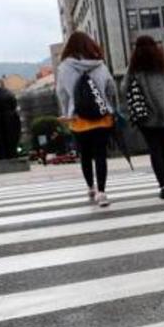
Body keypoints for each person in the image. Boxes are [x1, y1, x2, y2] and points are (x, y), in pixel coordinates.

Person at [56, 30, 119, 207]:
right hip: (101, 118)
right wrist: (109, 105)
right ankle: (102, 192)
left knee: (85, 156)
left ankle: (91, 187)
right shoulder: (100, 65)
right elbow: (111, 88)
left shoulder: (64, 67)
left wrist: (67, 112)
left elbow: (61, 93)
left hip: (78, 119)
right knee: (100, 155)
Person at [121, 35, 164, 200]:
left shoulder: (134, 69)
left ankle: (162, 183)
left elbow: (123, 88)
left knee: (154, 150)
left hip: (145, 117)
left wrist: (132, 74)